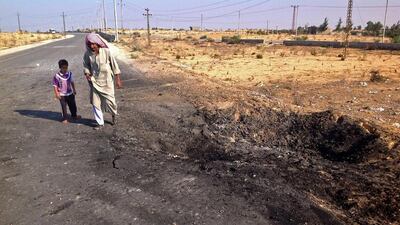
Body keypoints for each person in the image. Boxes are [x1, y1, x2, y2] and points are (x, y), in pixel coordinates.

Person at [83, 33, 122, 130]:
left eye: (93, 44)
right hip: (95, 81)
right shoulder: (88, 54)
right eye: (90, 44)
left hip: (107, 81)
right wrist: (87, 74)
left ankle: (113, 115)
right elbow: (86, 65)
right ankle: (100, 122)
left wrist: (118, 79)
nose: (92, 46)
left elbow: (114, 65)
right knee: (95, 103)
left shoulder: (106, 52)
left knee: (110, 101)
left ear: (98, 43)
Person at [52, 59, 81, 123]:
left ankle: (74, 115)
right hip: (62, 95)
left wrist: (74, 89)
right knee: (64, 107)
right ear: (60, 67)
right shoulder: (57, 76)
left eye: (66, 67)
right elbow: (55, 85)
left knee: (73, 105)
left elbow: (72, 82)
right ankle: (65, 118)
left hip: (70, 93)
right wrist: (57, 94)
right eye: (63, 68)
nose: (65, 69)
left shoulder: (70, 74)